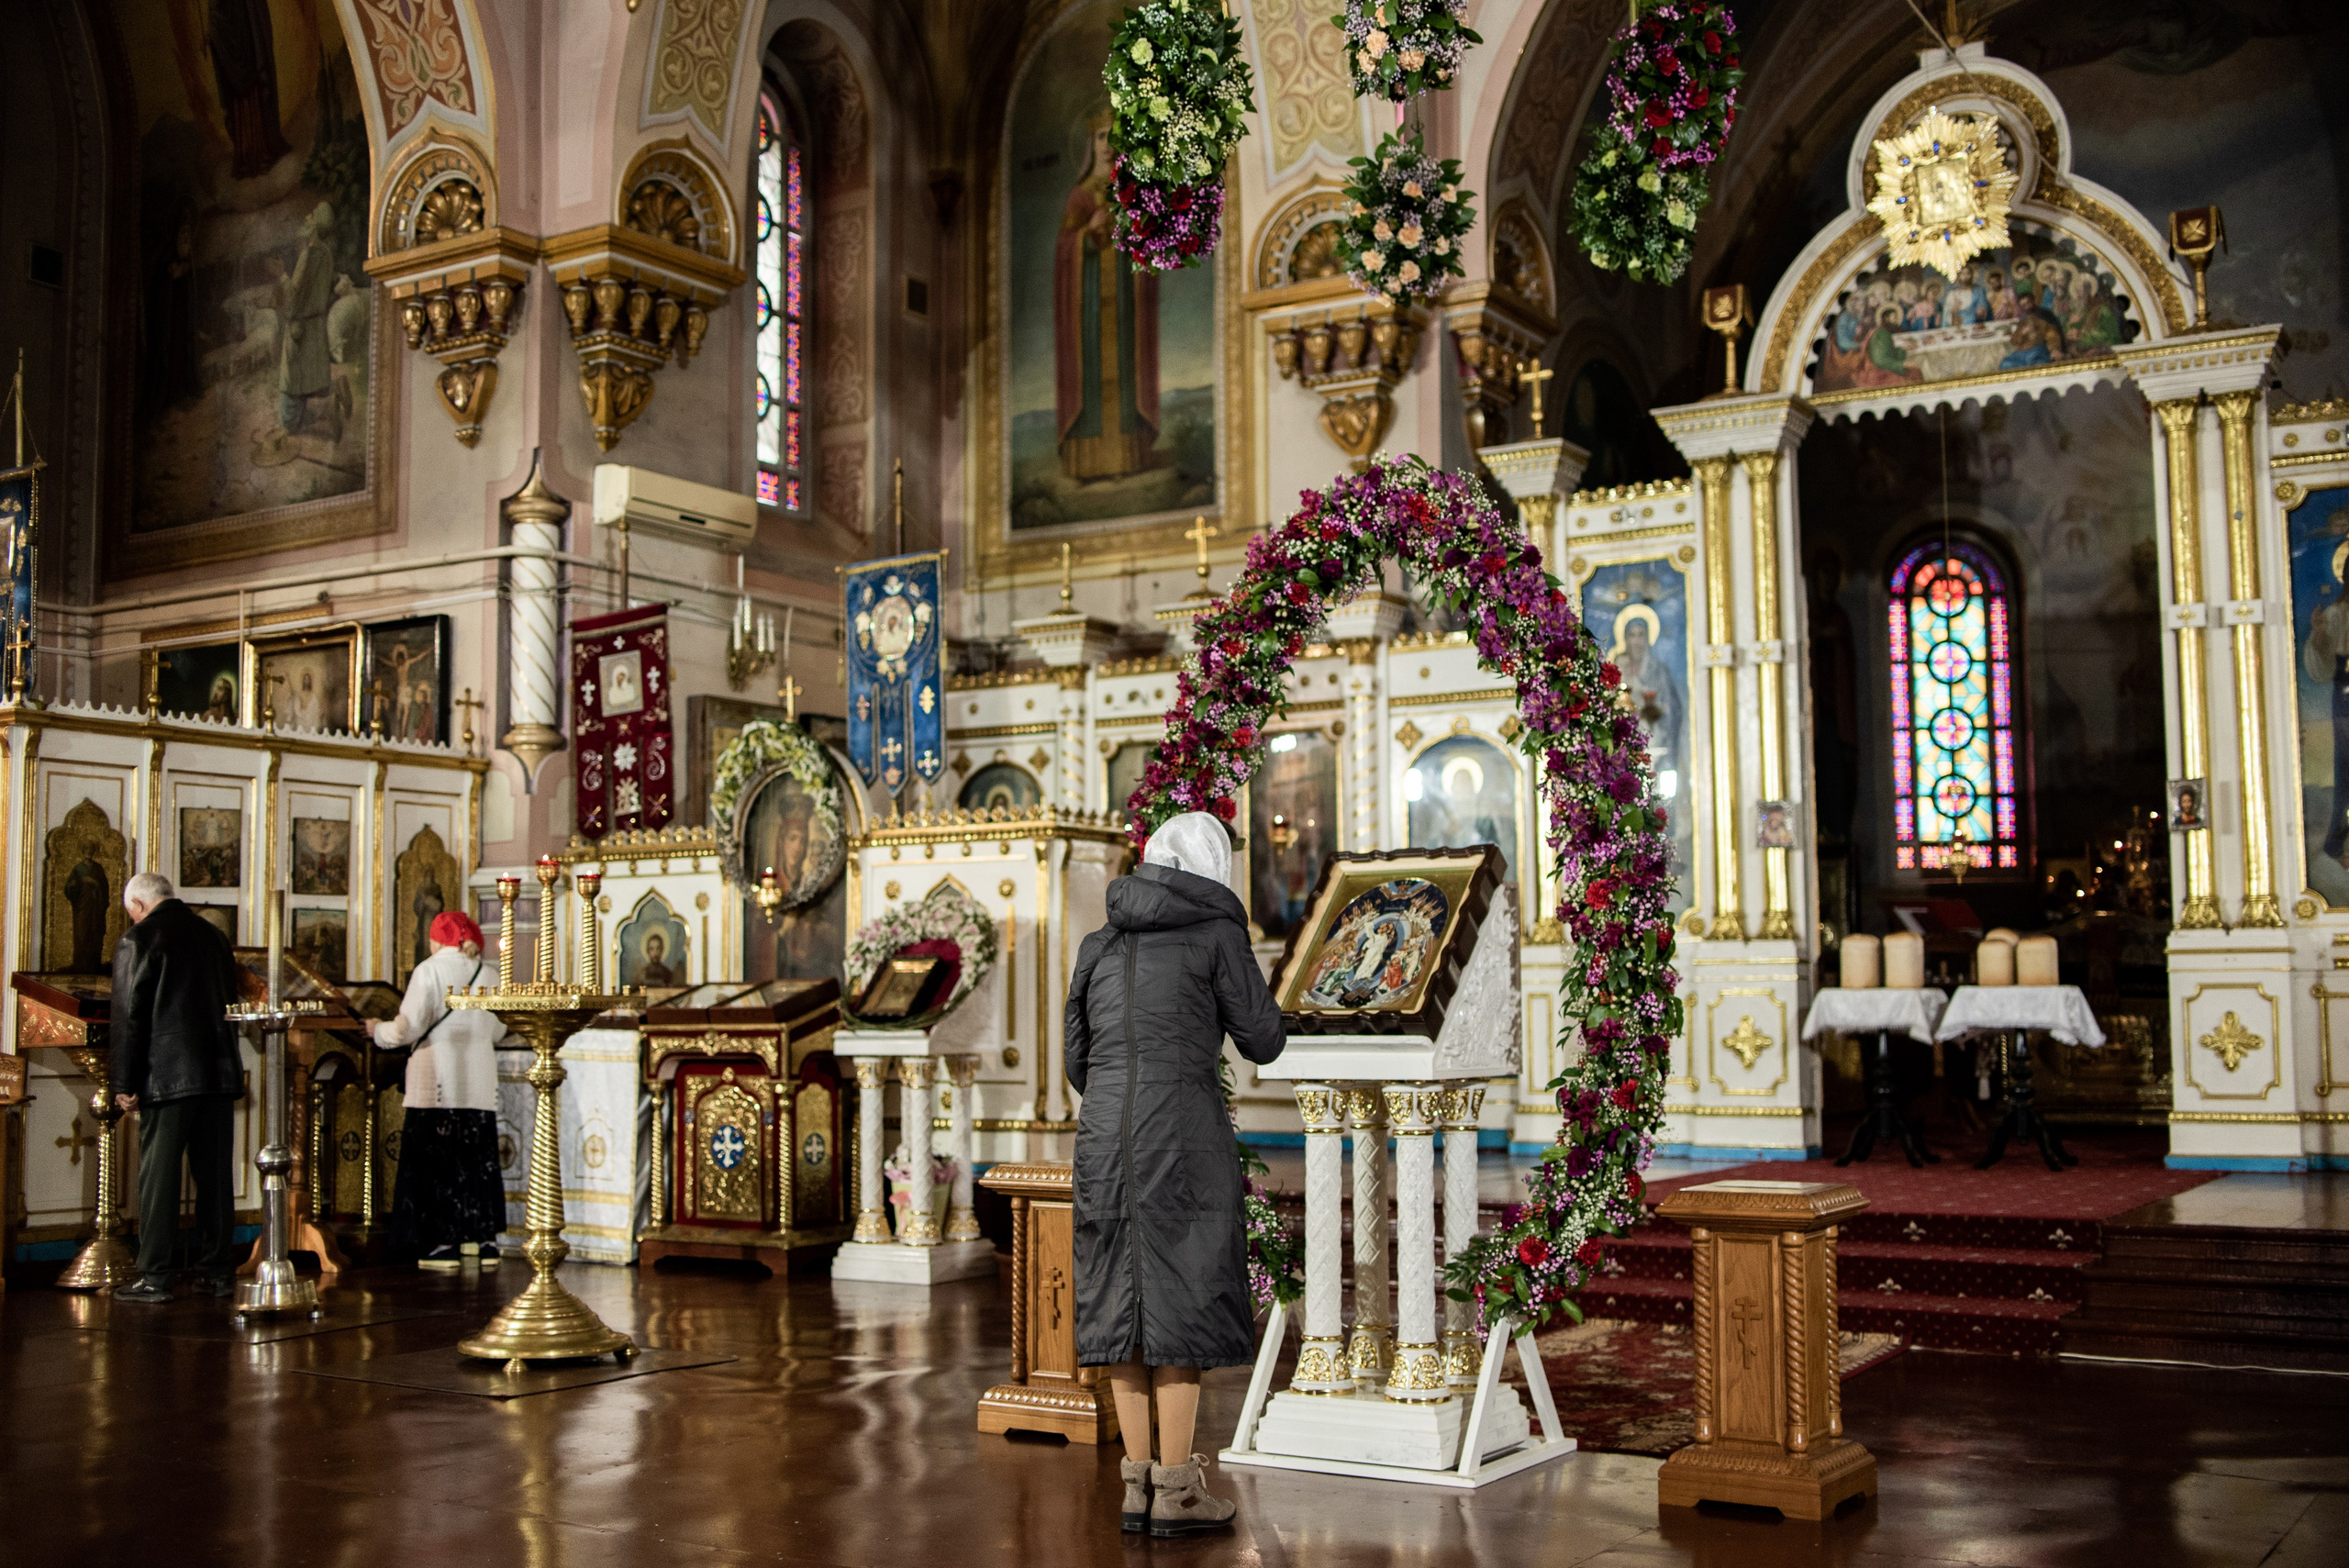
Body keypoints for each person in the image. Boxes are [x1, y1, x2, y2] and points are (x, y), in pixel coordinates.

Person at [1064, 813, 1284, 1538]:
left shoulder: (1099, 943)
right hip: (1182, 1132)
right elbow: (1264, 1037)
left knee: (1118, 1298)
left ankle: (1136, 1486)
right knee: (1180, 1290)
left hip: (1102, 1137)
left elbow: (1076, 1059)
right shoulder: (1216, 934)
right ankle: (1180, 1489)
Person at [109, 871, 246, 1303]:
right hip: (218, 1070)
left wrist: (124, 1082)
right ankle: (218, 1270)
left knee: (159, 1177)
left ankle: (154, 1275)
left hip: (166, 1073)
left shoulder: (139, 939)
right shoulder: (213, 935)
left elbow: (130, 1017)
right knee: (215, 1176)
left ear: (137, 906)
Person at [371, 911, 508, 1269]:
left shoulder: (429, 970)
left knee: (437, 1161)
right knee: (476, 1161)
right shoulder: (490, 974)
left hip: (437, 1082)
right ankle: (484, 1242)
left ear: (435, 940)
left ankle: (442, 1246)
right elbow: (498, 1032)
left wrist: (376, 1030)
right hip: (480, 1083)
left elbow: (406, 1028)